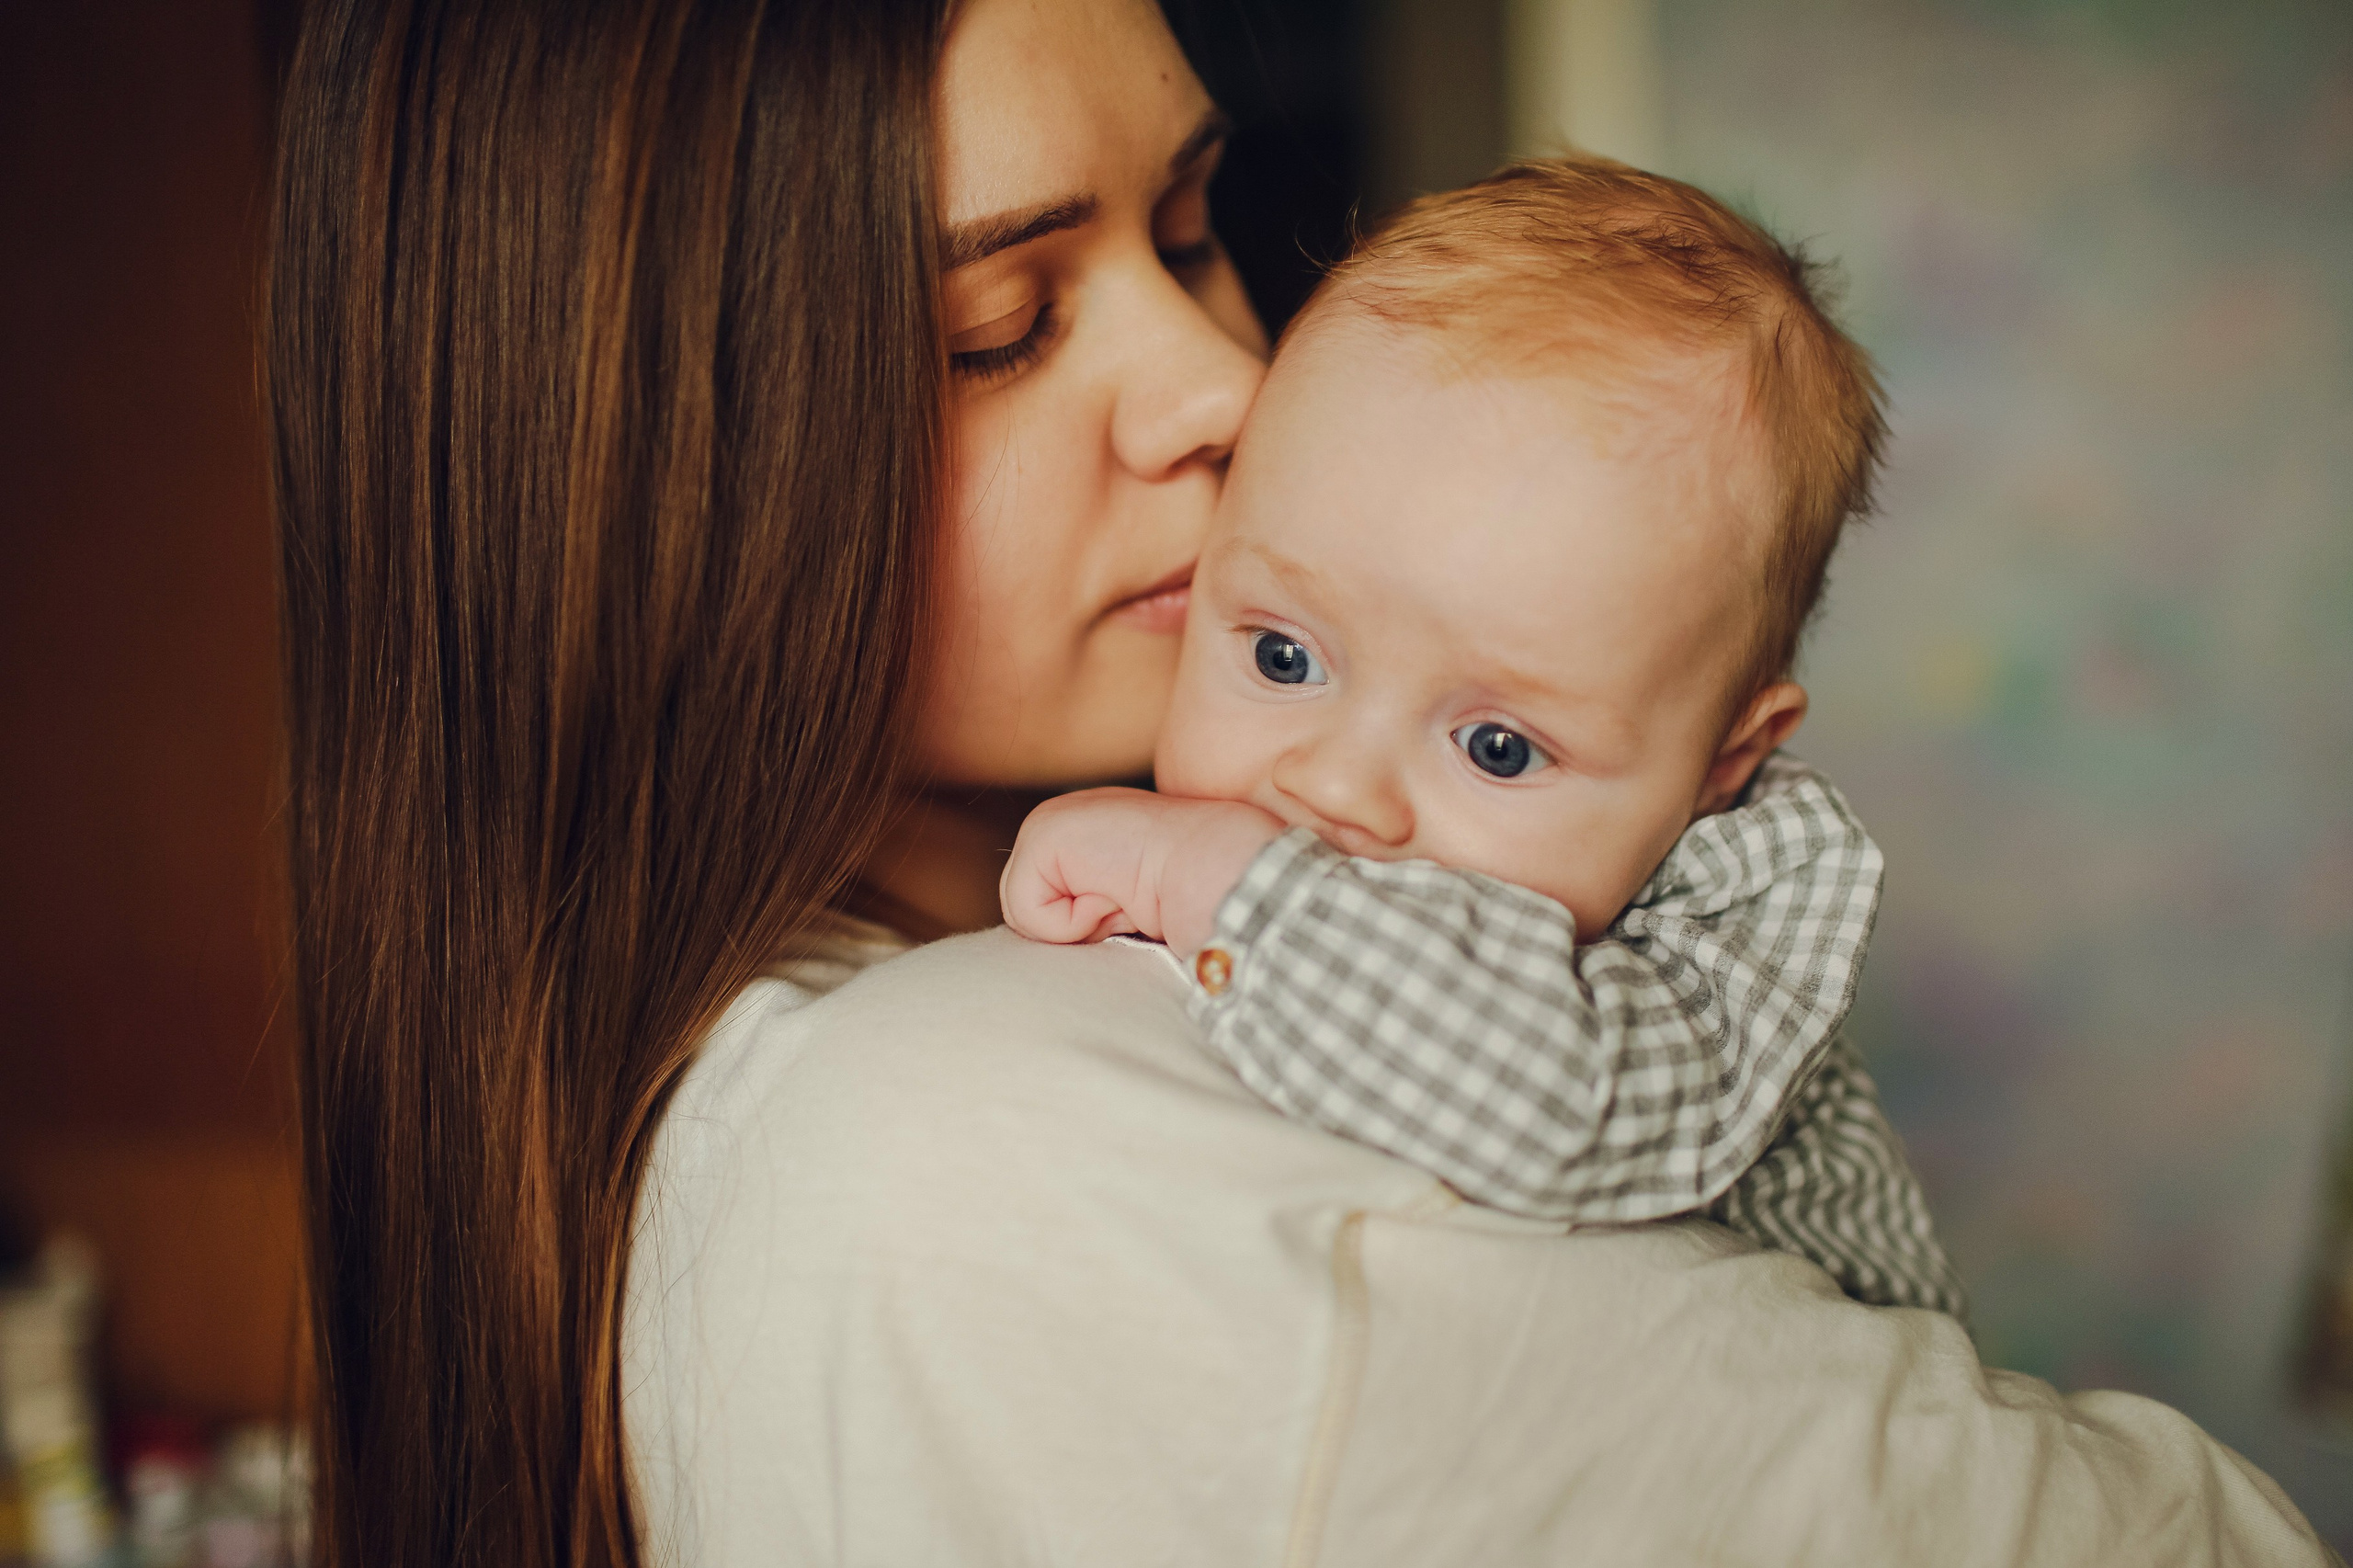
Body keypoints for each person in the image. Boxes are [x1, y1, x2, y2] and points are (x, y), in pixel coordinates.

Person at [266, 0, 2333, 1562]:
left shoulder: (730, 1104)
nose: (1228, 388)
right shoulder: (973, 1135)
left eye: (1188, 231)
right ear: (629, 494)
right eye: (1001, 326)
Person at [1002, 155, 1966, 1317]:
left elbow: (1549, 1105)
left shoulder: (1745, 907)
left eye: (1498, 748)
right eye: (1281, 657)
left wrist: (1200, 876)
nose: (1337, 787)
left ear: (1724, 763)